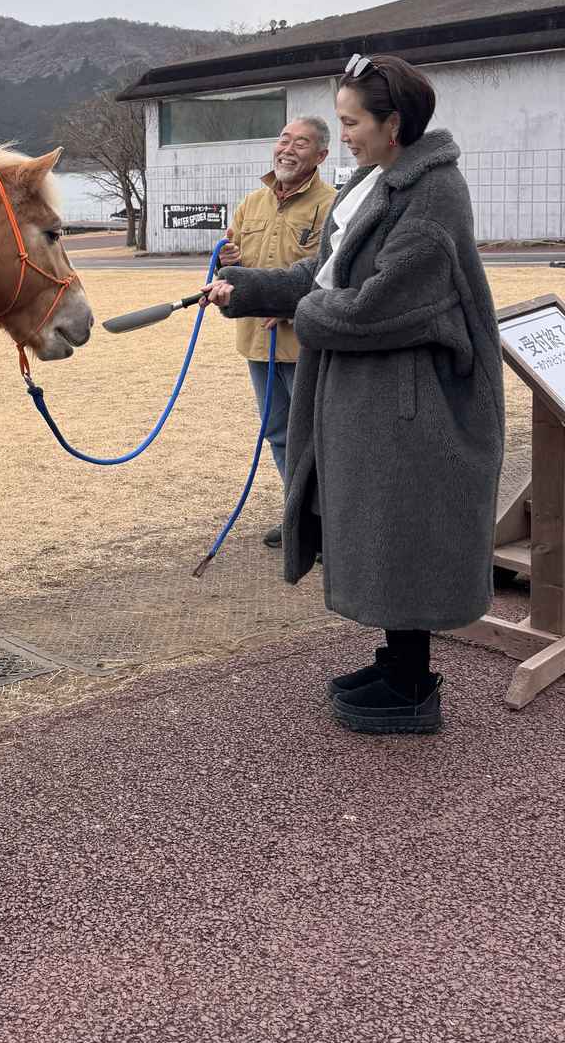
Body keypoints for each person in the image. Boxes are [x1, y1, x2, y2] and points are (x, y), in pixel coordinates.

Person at [202, 54, 504, 734]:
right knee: (381, 526)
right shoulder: (374, 181)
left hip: (413, 402)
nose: (345, 136)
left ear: (393, 124)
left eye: (351, 122)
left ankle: (413, 686)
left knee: (403, 529)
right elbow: (323, 273)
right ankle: (398, 660)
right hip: (373, 397)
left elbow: (382, 306)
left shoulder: (434, 194)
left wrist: (302, 316)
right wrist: (246, 288)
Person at [217, 118, 337, 547]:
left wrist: (286, 307)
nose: (288, 149)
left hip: (305, 341)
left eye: (301, 143)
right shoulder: (250, 203)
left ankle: (329, 526)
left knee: (317, 436)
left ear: (321, 156)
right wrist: (225, 260)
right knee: (278, 431)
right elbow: (233, 270)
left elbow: (332, 277)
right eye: (283, 140)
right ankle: (299, 516)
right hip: (257, 342)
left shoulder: (332, 206)